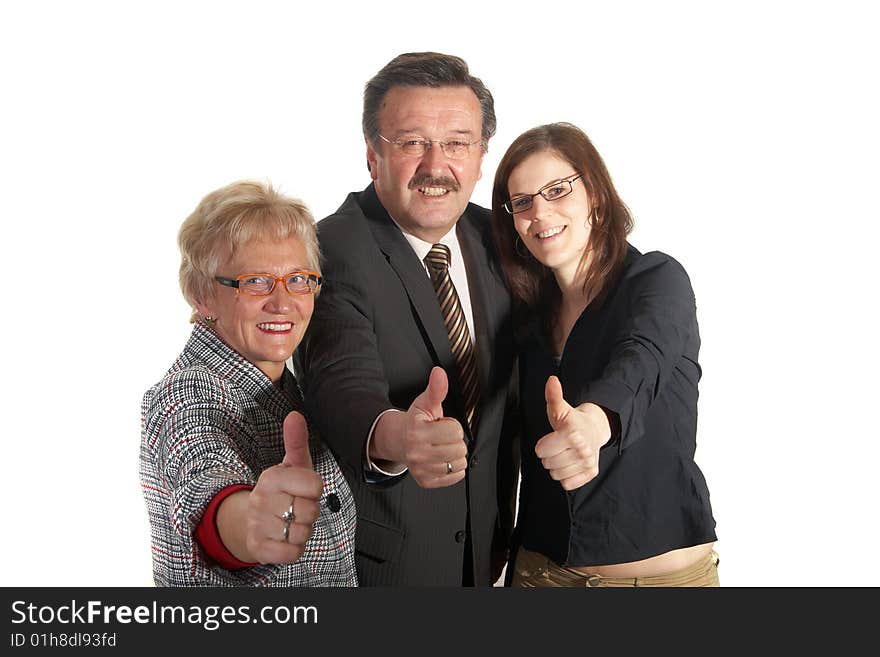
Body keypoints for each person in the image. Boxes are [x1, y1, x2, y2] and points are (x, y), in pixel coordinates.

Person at [296, 52, 518, 586]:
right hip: (388, 570)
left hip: (491, 558)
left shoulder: (503, 239)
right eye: (413, 142)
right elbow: (340, 383)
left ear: (482, 156)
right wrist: (395, 436)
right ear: (373, 155)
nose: (436, 166)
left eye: (457, 143)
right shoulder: (331, 250)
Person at [490, 123, 719, 587]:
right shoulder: (528, 317)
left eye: (557, 190)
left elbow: (643, 359)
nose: (540, 212)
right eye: (523, 202)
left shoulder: (657, 280)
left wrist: (596, 421)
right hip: (540, 575)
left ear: (594, 192)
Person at [140, 180, 357, 586]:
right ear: (202, 293)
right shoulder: (186, 393)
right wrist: (247, 523)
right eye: (255, 281)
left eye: (298, 279)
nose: (283, 302)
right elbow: (205, 480)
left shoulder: (288, 384)